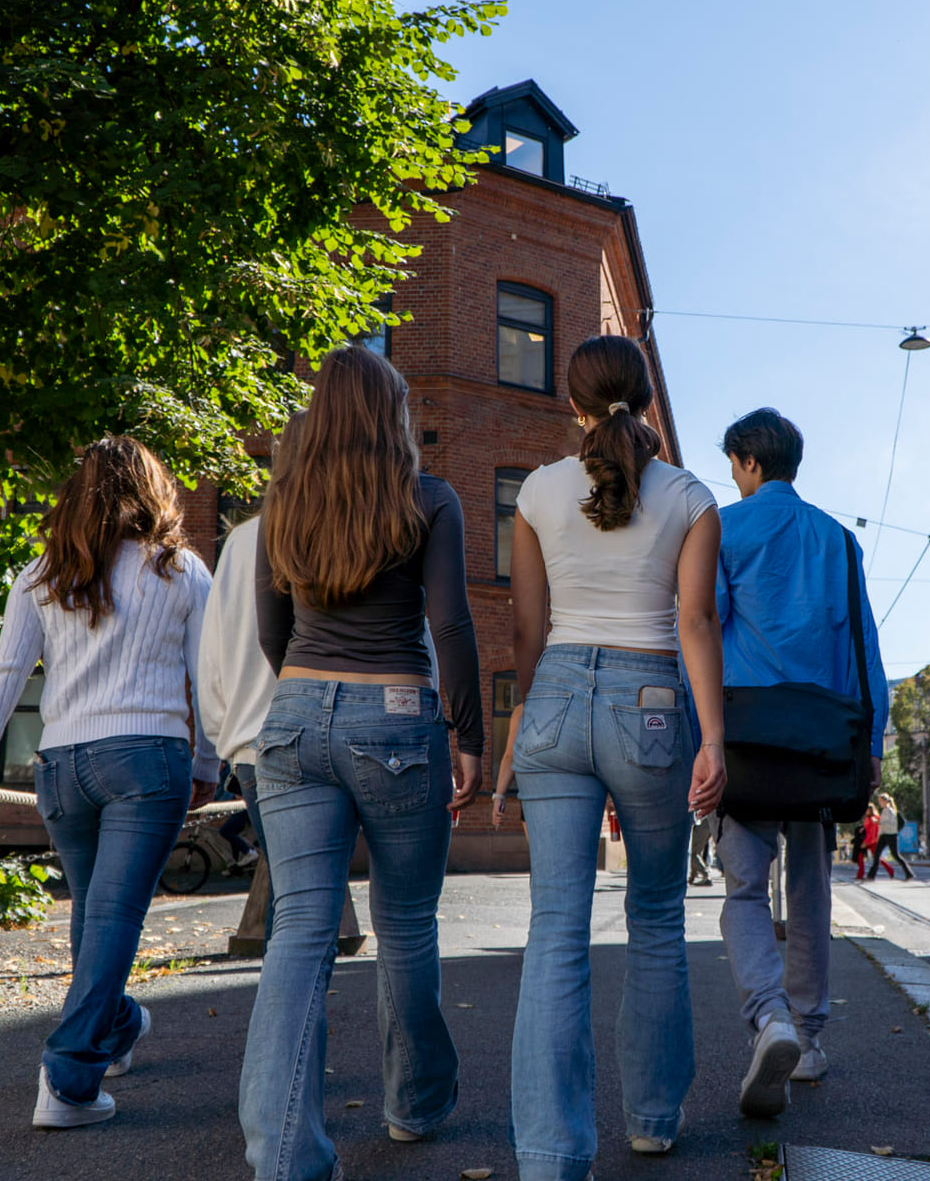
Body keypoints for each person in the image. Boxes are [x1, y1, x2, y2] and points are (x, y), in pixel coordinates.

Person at [239, 346, 484, 1180]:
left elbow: (272, 629)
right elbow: (450, 627)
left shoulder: (284, 502)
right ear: (394, 415)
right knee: (407, 923)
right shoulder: (431, 499)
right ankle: (413, 1107)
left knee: (299, 932)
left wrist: (309, 697)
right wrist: (471, 736)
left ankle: (281, 1154)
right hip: (398, 719)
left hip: (295, 715)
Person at [505, 334, 726, 1178]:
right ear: (645, 398)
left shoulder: (536, 491)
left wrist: (526, 716)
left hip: (559, 691)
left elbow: (527, 627)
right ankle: (653, 1119)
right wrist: (713, 739)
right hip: (654, 706)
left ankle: (550, 1155)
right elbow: (695, 623)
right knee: (658, 919)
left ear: (572, 403)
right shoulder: (692, 496)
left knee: (555, 929)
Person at [0, 435, 218, 1130]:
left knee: (93, 912)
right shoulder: (183, 571)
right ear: (156, 491)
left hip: (62, 765)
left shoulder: (44, 571)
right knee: (109, 916)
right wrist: (207, 761)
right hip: (146, 759)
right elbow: (207, 678)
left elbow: (6, 670)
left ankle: (118, 1027)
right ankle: (69, 1082)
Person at [712, 407, 888, 1119]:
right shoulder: (839, 540)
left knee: (744, 889)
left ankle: (769, 1017)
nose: (731, 475)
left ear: (749, 462)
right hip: (820, 741)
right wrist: (871, 748)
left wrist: (702, 741)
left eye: (732, 462)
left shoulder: (722, 529)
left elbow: (702, 627)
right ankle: (809, 1038)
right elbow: (864, 646)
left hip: (746, 737)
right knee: (810, 890)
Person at [198, 416, 365, 959]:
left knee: (295, 903)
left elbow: (213, 653)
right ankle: (292, 1030)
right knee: (307, 903)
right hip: (341, 733)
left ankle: (284, 1030)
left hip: (253, 744)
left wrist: (223, 740)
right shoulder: (357, 532)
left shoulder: (244, 540)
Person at [868, 792, 908, 881]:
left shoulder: (890, 811)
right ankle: (871, 875)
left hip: (891, 835)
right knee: (877, 854)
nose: (879, 803)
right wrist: (879, 835)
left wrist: (879, 823)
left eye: (881, 801)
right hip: (884, 835)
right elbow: (882, 826)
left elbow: (891, 824)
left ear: (885, 801)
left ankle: (908, 873)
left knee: (895, 855)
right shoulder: (884, 811)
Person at [689, 810, 718, 886]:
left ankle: (706, 875)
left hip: (702, 822)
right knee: (696, 851)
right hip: (707, 821)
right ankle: (693, 875)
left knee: (693, 853)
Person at [855, 805, 880, 882]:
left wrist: (866, 842)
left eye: (867, 810)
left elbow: (872, 832)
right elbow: (868, 828)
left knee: (876, 858)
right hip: (869, 841)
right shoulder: (868, 818)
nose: (866, 812)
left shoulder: (873, 818)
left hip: (871, 841)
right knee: (861, 857)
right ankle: (861, 874)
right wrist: (863, 828)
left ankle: (867, 875)